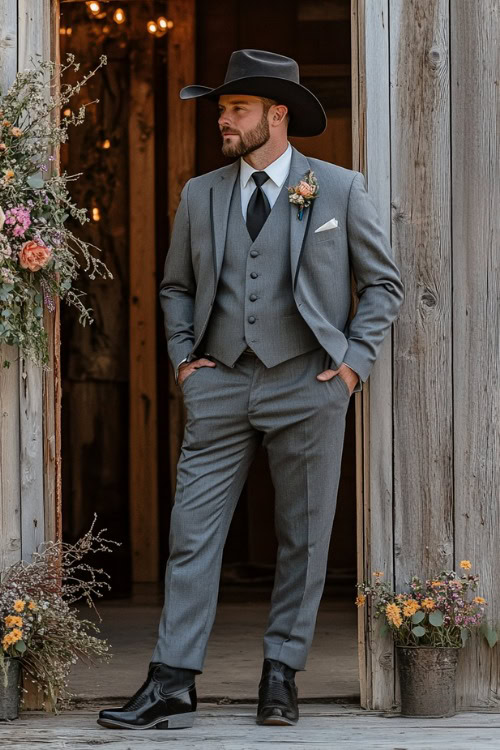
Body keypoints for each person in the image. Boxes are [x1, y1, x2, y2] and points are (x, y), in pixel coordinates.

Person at [98, 48, 404, 731]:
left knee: (303, 535)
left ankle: (280, 675)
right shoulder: (199, 194)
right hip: (221, 383)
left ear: (277, 114)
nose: (223, 122)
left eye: (235, 109)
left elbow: (384, 285)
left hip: (309, 382)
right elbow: (176, 287)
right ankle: (172, 681)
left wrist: (351, 367)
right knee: (192, 533)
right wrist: (183, 362)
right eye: (220, 110)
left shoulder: (338, 188)